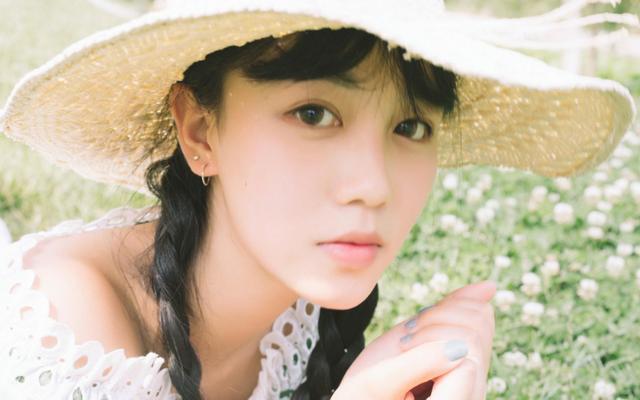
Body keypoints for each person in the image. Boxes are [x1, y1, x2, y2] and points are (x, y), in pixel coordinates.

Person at [0, 0, 636, 399]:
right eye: (313, 113)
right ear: (199, 131)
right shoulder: (60, 334)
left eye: (411, 126)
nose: (374, 185)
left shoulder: (297, 315)